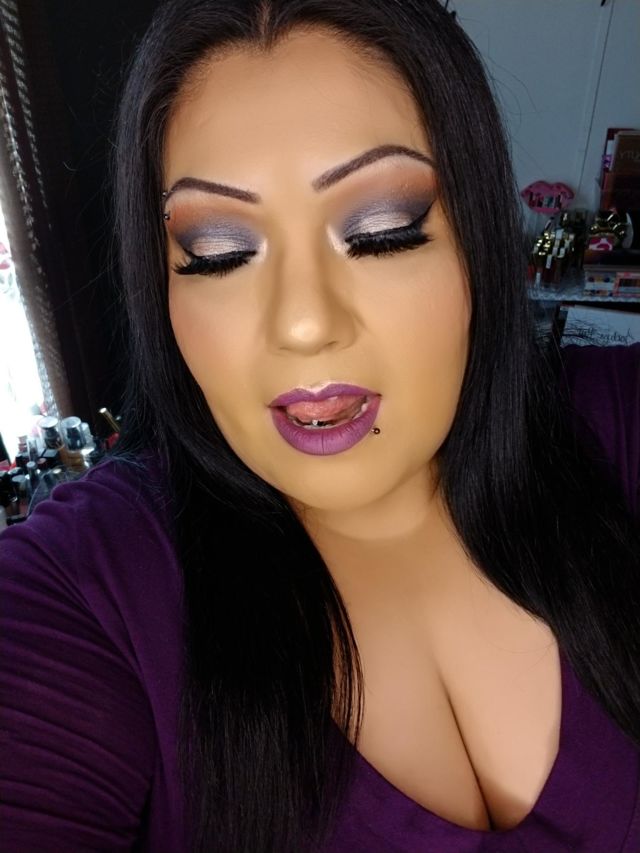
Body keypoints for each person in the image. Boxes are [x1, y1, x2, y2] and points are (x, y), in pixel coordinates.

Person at [2, 1, 640, 851]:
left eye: (381, 233)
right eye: (220, 252)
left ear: (476, 241)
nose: (303, 323)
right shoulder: (91, 587)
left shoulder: (615, 422)